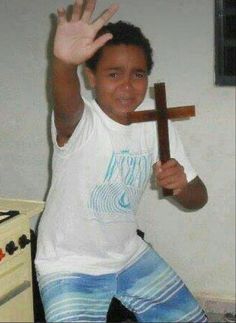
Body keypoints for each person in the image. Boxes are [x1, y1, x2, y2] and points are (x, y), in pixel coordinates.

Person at [35, 0, 208, 322]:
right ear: (91, 76)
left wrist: (183, 185)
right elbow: (66, 104)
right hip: (69, 264)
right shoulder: (81, 121)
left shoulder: (156, 125)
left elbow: (197, 199)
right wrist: (62, 63)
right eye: (114, 74)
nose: (127, 86)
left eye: (138, 74)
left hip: (128, 255)